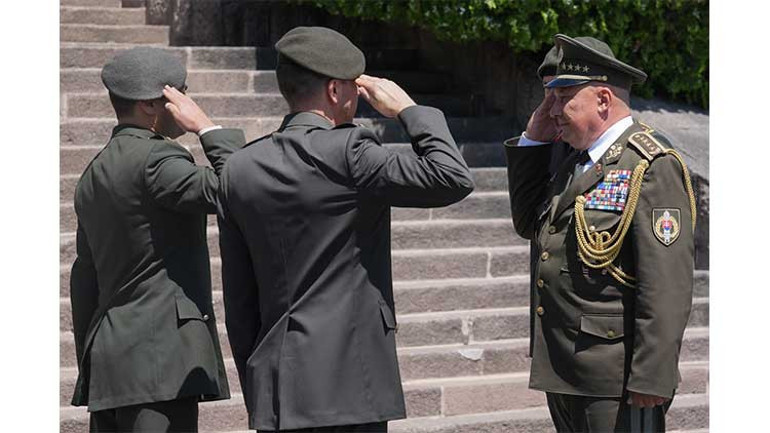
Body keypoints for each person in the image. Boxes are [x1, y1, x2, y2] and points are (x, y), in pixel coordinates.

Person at [217, 26, 475, 432]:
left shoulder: (238, 168)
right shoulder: (352, 152)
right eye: (353, 88)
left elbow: (240, 303)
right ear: (336, 92)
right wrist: (408, 109)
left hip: (279, 389)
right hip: (354, 388)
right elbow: (451, 176)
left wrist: (263, 392)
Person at [505, 34, 696, 432]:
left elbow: (666, 285)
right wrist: (534, 139)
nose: (551, 109)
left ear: (603, 100)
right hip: (565, 369)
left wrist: (651, 378)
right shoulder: (572, 160)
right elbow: (528, 224)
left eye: (560, 97)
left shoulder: (650, 164)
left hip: (615, 380)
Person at [69, 46, 245, 432]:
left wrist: (93, 360)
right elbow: (240, 189)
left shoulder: (94, 173)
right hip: (160, 365)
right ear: (153, 104)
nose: (188, 101)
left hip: (111, 362)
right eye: (181, 92)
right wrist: (207, 129)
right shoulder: (158, 161)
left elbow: (84, 281)